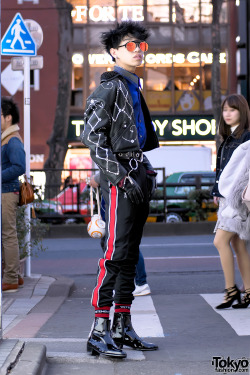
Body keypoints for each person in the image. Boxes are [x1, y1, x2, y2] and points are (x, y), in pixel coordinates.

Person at [82, 21, 159, 359]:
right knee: (114, 254)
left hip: (136, 173)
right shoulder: (110, 87)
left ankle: (122, 327)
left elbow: (137, 138)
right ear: (114, 52)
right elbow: (91, 137)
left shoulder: (132, 87)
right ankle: (98, 331)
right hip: (121, 179)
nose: (139, 50)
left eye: (141, 45)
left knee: (128, 256)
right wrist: (120, 176)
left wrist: (145, 171)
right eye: (131, 45)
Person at [211, 94, 250, 309]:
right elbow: (223, 171)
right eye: (225, 109)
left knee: (220, 241)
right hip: (228, 199)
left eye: (232, 110)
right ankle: (249, 291)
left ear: (241, 112)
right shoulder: (227, 139)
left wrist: (230, 195)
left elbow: (244, 174)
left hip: (238, 200)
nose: (227, 113)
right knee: (237, 243)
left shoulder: (246, 138)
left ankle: (231, 291)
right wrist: (216, 191)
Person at [88, 173, 151, 297]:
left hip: (118, 207)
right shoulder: (135, 162)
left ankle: (122, 284)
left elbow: (105, 174)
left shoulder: (116, 158)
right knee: (130, 245)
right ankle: (138, 282)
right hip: (132, 204)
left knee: (115, 246)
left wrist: (94, 179)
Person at [1, 97, 26, 292]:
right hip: (7, 191)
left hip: (7, 192)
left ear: (8, 117)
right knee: (9, 234)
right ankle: (14, 275)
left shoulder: (12, 139)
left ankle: (10, 278)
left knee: (8, 234)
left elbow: (19, 166)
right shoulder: (8, 137)